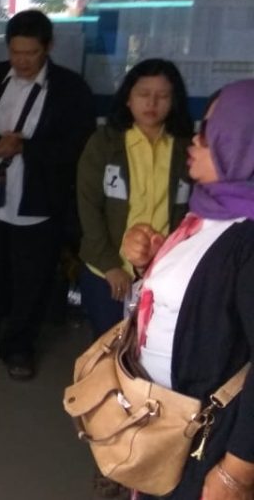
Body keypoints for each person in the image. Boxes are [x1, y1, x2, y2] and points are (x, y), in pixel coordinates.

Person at [0, 10, 95, 381]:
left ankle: (19, 347)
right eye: (15, 52)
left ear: (48, 47)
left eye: (31, 53)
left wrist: (26, 147)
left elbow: (78, 145)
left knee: (32, 281)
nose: (22, 61)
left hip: (39, 203)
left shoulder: (70, 88)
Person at [121, 80, 254, 500]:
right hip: (164, 423)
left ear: (241, 144)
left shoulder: (248, 236)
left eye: (211, 132)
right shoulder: (209, 209)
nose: (196, 138)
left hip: (207, 441)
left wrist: (237, 473)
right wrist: (149, 263)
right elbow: (201, 301)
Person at [77, 59, 194, 340]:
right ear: (128, 98)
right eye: (143, 94)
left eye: (163, 96)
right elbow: (89, 207)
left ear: (174, 101)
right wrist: (110, 265)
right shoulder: (105, 143)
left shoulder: (185, 148)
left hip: (162, 272)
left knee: (151, 346)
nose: (152, 103)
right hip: (107, 270)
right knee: (108, 346)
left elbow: (190, 213)